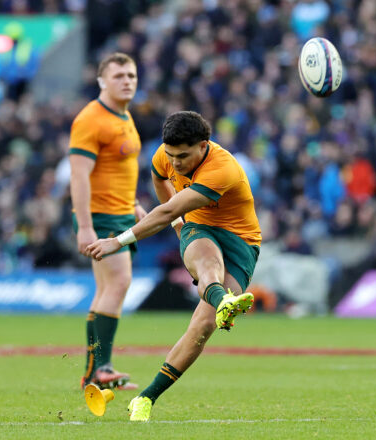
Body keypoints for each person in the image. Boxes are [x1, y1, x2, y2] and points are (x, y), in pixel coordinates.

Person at [86, 111, 262, 421]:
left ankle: (145, 397)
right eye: (171, 155)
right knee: (207, 262)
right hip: (199, 228)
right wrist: (179, 224)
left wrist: (120, 240)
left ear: (203, 146)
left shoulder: (221, 169)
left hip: (241, 242)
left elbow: (166, 211)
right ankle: (223, 301)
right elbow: (160, 182)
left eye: (183, 156)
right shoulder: (164, 155)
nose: (175, 162)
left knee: (202, 327)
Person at [69, 52, 146, 390]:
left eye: (131, 75)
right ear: (102, 81)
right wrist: (86, 226)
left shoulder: (123, 115)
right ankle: (101, 369)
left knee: (106, 289)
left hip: (120, 212)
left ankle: (94, 372)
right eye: (118, 76)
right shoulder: (91, 120)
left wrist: (134, 203)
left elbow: (117, 169)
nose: (127, 81)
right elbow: (79, 175)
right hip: (102, 216)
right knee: (118, 283)